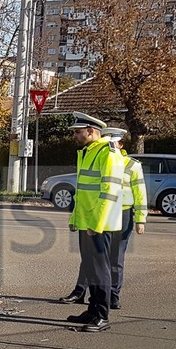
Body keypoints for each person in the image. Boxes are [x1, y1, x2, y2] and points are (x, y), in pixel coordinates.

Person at [56, 128, 147, 309]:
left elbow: (140, 193)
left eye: (114, 141)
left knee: (115, 258)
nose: (110, 144)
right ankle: (81, 291)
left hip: (122, 213)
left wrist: (140, 219)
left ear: (121, 145)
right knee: (92, 258)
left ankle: (112, 296)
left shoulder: (131, 165)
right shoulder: (99, 157)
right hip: (100, 212)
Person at [65, 112, 125, 333]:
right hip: (87, 222)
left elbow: (110, 191)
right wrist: (75, 219)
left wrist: (97, 224)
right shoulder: (89, 152)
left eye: (78, 132)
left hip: (100, 224)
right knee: (91, 268)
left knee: (100, 270)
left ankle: (101, 315)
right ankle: (92, 310)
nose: (75, 136)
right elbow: (82, 192)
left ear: (91, 131)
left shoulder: (108, 152)